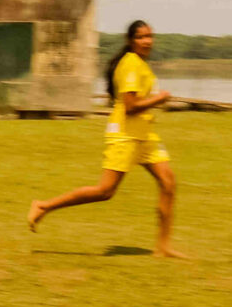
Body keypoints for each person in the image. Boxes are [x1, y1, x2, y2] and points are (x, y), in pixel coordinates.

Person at [28, 19, 184, 259]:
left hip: (144, 134)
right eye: (142, 37)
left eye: (150, 36)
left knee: (168, 182)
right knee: (105, 191)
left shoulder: (140, 64)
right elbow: (130, 107)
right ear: (131, 41)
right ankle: (43, 206)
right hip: (125, 135)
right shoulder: (131, 64)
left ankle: (163, 247)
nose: (147, 41)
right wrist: (159, 99)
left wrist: (154, 100)